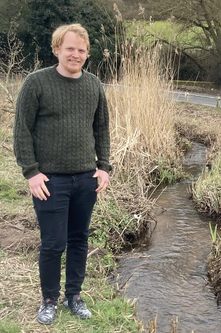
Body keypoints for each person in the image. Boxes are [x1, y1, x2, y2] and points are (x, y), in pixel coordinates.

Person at [13, 23, 111, 324]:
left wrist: (104, 167)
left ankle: (74, 296)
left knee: (79, 239)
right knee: (53, 243)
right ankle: (49, 299)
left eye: (81, 50)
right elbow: (22, 130)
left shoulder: (94, 85)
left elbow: (101, 128)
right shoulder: (36, 83)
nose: (76, 54)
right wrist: (31, 173)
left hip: (85, 179)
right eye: (70, 48)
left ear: (87, 54)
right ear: (57, 49)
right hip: (50, 181)